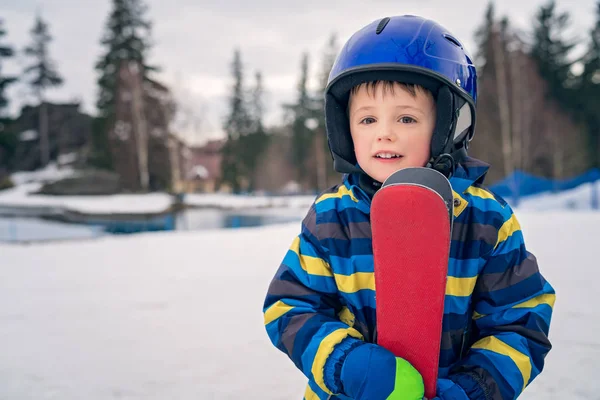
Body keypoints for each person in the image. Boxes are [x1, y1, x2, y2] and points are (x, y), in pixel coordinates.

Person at [263, 15, 555, 400]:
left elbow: (520, 323)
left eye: (406, 117)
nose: (384, 132)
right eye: (367, 119)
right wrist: (348, 364)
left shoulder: (485, 221)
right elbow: (289, 307)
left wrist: (472, 391)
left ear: (450, 127)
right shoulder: (331, 218)